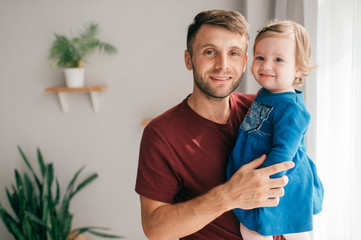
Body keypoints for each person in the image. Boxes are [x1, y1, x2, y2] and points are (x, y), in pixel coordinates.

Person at [135, 10, 294, 240]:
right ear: (189, 59)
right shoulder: (161, 134)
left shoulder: (264, 109)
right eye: (210, 52)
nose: (223, 65)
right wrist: (229, 195)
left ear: (245, 62)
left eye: (234, 53)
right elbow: (155, 229)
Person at [226, 20, 324, 240]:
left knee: (258, 229)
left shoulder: (291, 108)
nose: (266, 65)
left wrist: (264, 184)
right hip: (264, 180)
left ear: (297, 68)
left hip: (281, 184)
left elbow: (283, 153)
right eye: (260, 57)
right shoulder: (267, 94)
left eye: (278, 59)